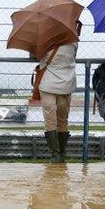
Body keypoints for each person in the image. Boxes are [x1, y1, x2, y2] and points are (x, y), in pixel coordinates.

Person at [39, 21, 82, 163]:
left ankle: (55, 153)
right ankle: (62, 152)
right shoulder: (74, 42)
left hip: (48, 83)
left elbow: (41, 60)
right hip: (67, 84)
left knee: (50, 118)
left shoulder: (46, 42)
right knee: (63, 118)